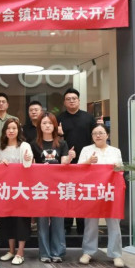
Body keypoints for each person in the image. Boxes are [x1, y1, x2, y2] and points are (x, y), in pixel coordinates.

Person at [30, 112, 76, 263]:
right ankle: (44, 253)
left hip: (58, 187)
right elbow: (31, 165)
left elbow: (63, 163)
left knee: (58, 220)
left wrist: (70, 158)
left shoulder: (62, 143)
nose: (47, 126)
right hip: (41, 187)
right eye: (44, 123)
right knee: (42, 221)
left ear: (55, 125)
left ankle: (57, 252)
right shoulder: (34, 144)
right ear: (39, 126)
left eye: (50, 123)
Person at [77, 124, 125, 268]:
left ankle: (116, 254)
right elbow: (78, 169)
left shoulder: (115, 151)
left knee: (114, 222)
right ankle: (88, 252)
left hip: (110, 191)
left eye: (101, 133)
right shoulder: (86, 150)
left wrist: (118, 167)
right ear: (92, 136)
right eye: (95, 133)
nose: (98, 135)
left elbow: (121, 169)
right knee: (91, 223)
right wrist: (88, 162)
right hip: (92, 191)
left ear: (107, 135)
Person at [57, 88, 97, 235]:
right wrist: (60, 134)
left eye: (74, 98)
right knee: (67, 193)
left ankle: (82, 227)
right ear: (64, 102)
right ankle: (66, 226)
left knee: (82, 195)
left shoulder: (88, 118)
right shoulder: (59, 118)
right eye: (68, 99)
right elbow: (55, 141)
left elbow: (96, 138)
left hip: (85, 163)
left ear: (79, 101)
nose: (71, 101)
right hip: (66, 162)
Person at [0, 118, 33, 266]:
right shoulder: (0, 148)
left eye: (14, 128)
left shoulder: (24, 146)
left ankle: (20, 252)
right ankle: (11, 250)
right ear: (4, 131)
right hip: (5, 190)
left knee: (21, 221)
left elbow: (28, 165)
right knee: (7, 221)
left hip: (21, 190)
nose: (11, 131)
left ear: (19, 131)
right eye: (8, 128)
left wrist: (27, 159)